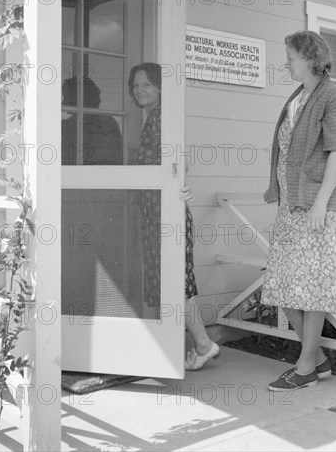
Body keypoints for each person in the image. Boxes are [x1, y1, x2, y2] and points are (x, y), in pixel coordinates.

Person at [261, 31, 336, 391]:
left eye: (291, 57)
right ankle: (317, 359)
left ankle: (305, 370)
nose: (287, 63)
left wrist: (319, 203)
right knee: (282, 285)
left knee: (312, 288)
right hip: (292, 207)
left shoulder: (333, 96)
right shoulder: (298, 97)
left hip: (321, 207)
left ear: (311, 58)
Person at [129, 63, 220, 370]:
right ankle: (197, 344)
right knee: (172, 281)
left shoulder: (160, 119)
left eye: (146, 84)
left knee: (172, 282)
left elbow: (181, 162)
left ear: (160, 87)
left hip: (166, 214)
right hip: (159, 212)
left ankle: (199, 345)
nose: (140, 90)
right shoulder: (154, 118)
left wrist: (177, 190)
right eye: (136, 85)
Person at [62, 76, 123, 165]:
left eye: (67, 96)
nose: (63, 103)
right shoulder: (109, 122)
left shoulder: (107, 124)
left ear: (81, 98)